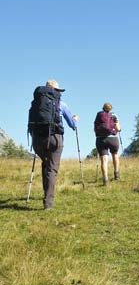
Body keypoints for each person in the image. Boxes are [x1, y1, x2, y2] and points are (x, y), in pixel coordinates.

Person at [27, 80, 78, 210]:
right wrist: (75, 121)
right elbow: (72, 125)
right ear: (56, 91)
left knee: (45, 163)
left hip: (37, 139)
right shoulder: (61, 103)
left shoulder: (35, 104)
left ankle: (46, 193)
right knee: (52, 168)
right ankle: (48, 203)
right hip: (55, 138)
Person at [94, 102, 121, 186]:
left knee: (104, 160)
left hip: (100, 139)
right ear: (111, 109)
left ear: (103, 108)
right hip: (112, 138)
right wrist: (117, 129)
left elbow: (95, 128)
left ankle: (105, 179)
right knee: (115, 155)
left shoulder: (98, 115)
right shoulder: (114, 115)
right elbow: (118, 129)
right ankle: (116, 175)